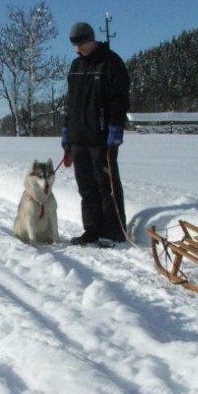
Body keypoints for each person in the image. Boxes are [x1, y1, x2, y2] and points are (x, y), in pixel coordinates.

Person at [61, 22, 129, 247]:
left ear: (91, 39)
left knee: (105, 184)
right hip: (78, 136)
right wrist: (66, 130)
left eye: (80, 43)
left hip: (102, 137)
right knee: (86, 185)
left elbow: (119, 100)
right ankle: (92, 229)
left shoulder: (111, 63)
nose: (77, 48)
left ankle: (114, 231)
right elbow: (70, 102)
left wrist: (115, 128)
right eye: (74, 44)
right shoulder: (76, 65)